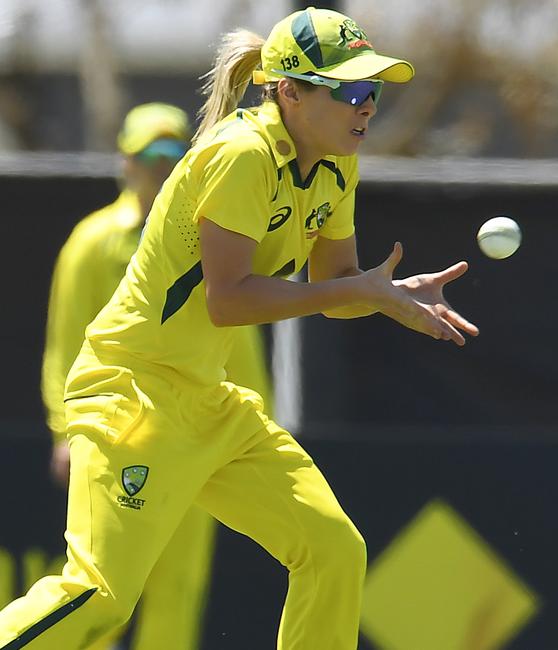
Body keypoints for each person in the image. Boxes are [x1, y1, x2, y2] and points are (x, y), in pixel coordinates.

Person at [0, 7, 478, 649]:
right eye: (352, 92)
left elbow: (333, 284)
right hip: (132, 396)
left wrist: (386, 296)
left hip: (206, 400)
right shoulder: (240, 155)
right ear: (291, 92)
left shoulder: (338, 164)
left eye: (375, 91)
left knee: (333, 549)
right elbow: (230, 301)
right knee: (100, 596)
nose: (367, 108)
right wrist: (355, 289)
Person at [39, 102, 273, 650]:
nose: (163, 167)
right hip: (121, 433)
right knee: (102, 589)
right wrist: (63, 430)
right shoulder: (92, 242)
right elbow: (66, 341)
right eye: (152, 154)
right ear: (126, 162)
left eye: (176, 154)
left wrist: (260, 423)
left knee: (179, 588)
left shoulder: (218, 236)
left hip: (196, 433)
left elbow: (240, 340)